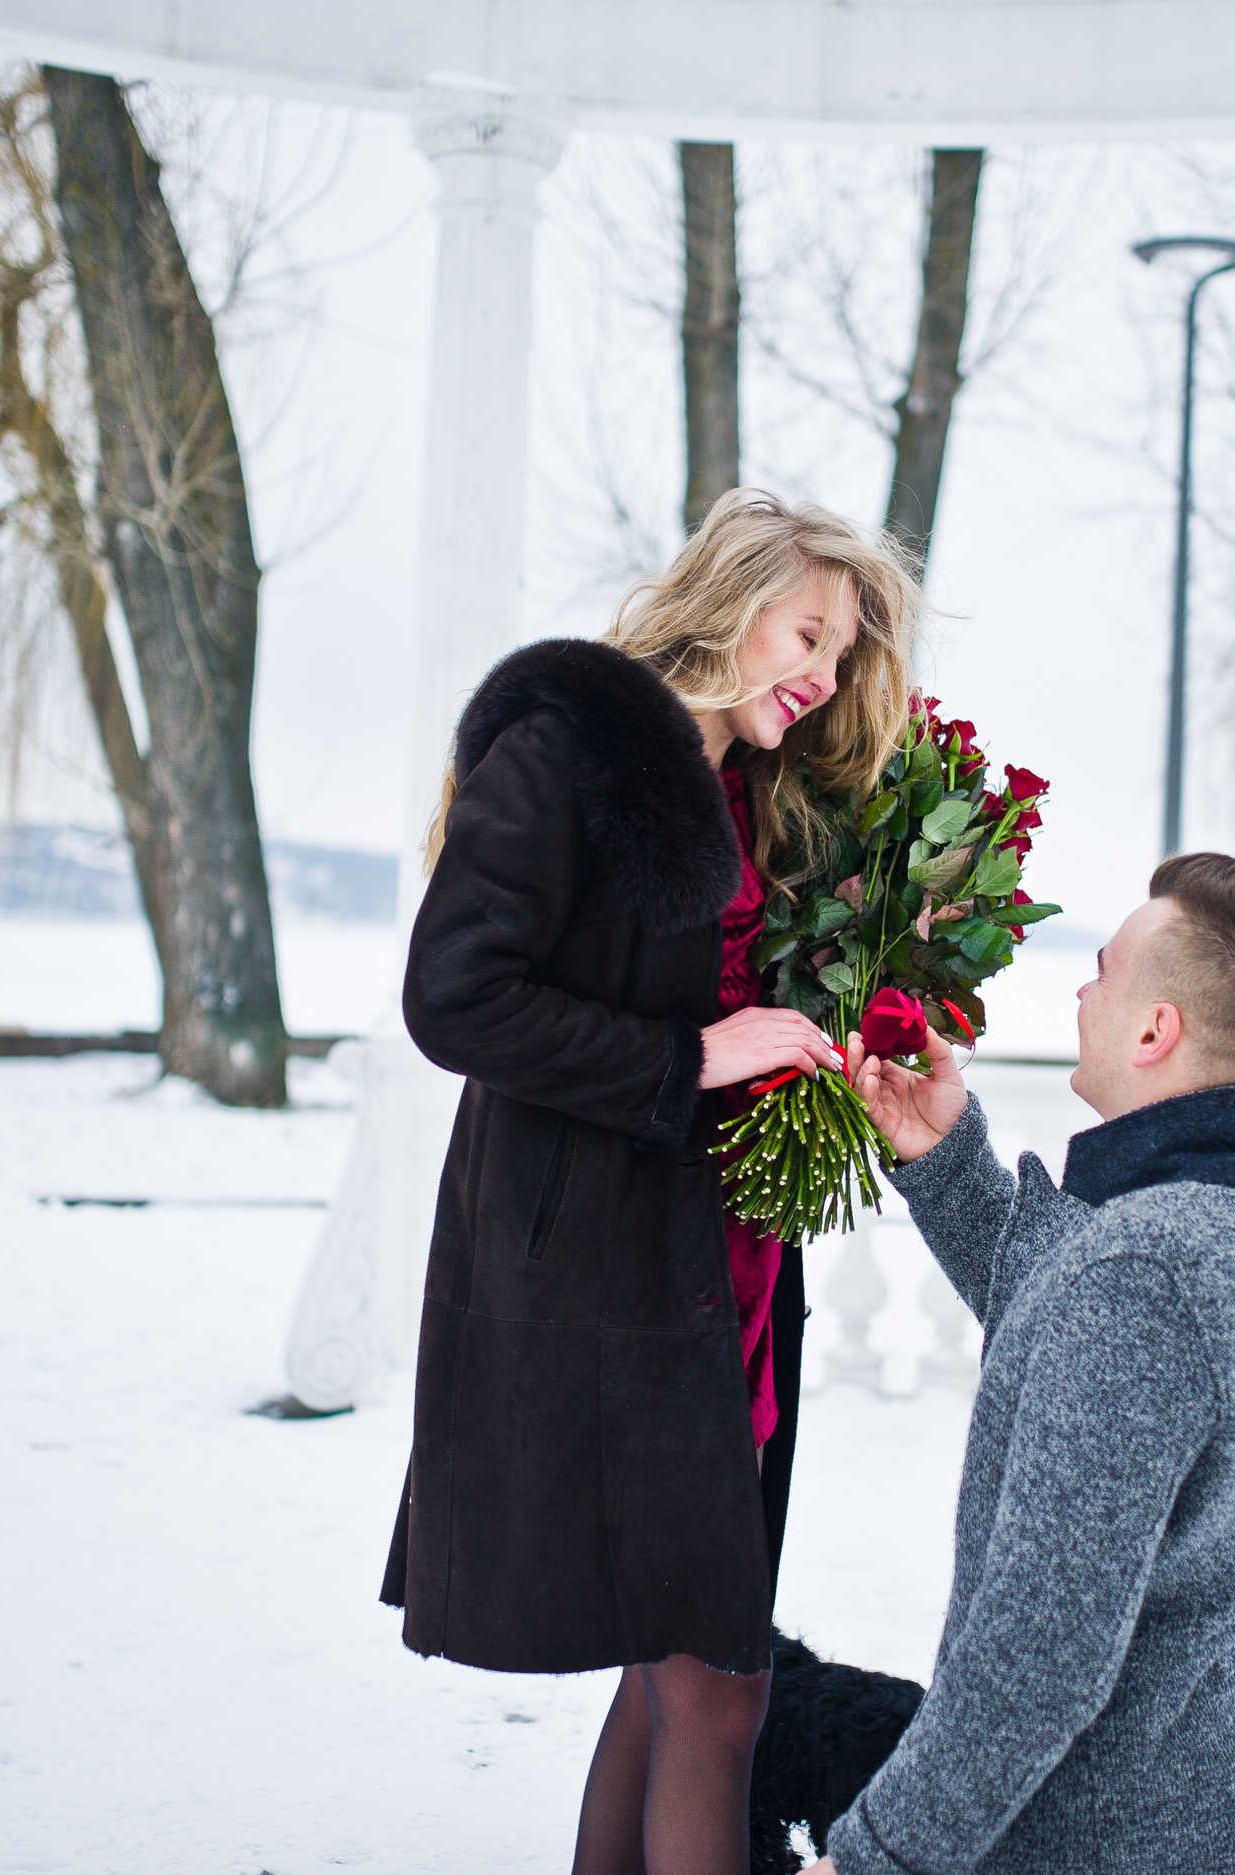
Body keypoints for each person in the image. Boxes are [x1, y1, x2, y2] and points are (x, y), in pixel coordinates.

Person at [379, 489, 921, 1875]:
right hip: (607, 1292)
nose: (824, 671)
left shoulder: (751, 783)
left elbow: (735, 979)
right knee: (717, 1685)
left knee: (669, 1672)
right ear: (729, 599)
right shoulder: (567, 751)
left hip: (724, 1281)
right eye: (810, 631)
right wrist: (694, 1054)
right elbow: (454, 998)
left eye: (844, 651)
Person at [821, 853, 1235, 1875]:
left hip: (1105, 1839)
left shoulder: (1145, 1265)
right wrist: (945, 1160)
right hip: (1232, 1806)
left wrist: (872, 1857)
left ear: (1157, 1032)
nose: (1081, 990)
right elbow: (1083, 1349)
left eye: (1103, 970)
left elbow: (1038, 1654)